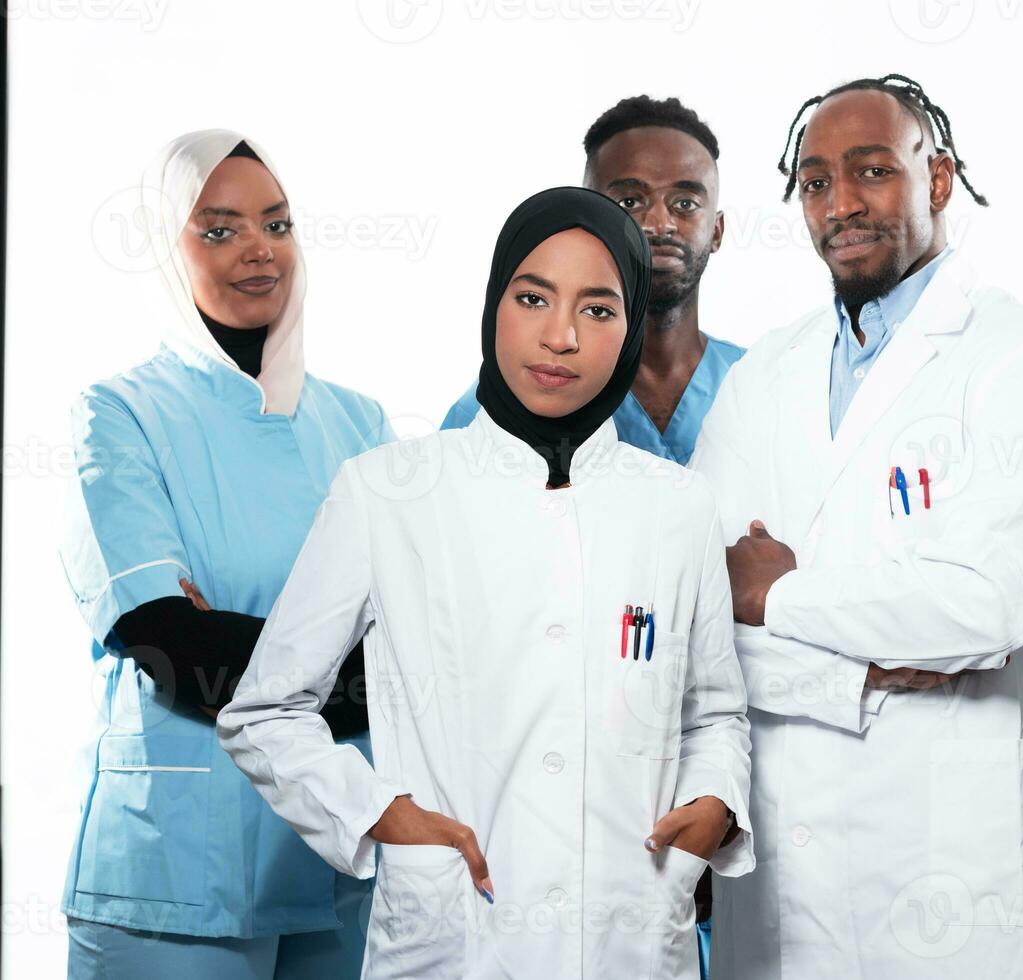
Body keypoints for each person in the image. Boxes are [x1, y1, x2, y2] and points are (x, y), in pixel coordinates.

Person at [218, 187, 754, 980]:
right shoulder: (386, 492)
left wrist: (714, 804)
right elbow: (264, 710)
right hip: (457, 937)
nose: (561, 336)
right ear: (493, 301)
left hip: (632, 935)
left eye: (600, 310)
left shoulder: (678, 507)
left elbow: (715, 713)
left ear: (633, 326)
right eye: (532, 297)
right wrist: (376, 814)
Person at [691, 74, 1023, 979]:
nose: (841, 204)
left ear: (939, 179)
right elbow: (696, 610)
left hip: (952, 863)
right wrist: (862, 670)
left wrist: (778, 592)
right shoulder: (764, 374)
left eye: (871, 171)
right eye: (815, 182)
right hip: (786, 867)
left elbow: (983, 609)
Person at [59, 129, 389, 978]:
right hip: (175, 876)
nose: (259, 251)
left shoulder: (360, 426)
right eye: (218, 229)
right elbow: (174, 647)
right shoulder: (120, 415)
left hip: (334, 861)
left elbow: (417, 654)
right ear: (167, 248)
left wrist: (253, 648)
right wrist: (342, 667)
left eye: (277, 224)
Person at [442, 96, 742, 466]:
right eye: (629, 202)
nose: (659, 224)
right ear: (585, 217)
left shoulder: (765, 383)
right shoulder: (489, 412)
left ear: (717, 230)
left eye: (685, 204)